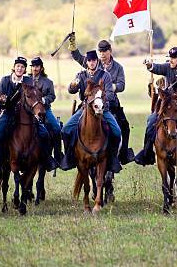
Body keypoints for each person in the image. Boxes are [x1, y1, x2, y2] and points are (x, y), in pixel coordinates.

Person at [68, 33, 134, 163]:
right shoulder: (93, 63)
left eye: (104, 51)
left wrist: (109, 88)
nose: (102, 54)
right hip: (90, 104)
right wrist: (73, 46)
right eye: (100, 51)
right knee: (70, 128)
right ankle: (73, 155)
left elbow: (122, 85)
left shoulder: (118, 68)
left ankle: (123, 154)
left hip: (111, 102)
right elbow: (78, 57)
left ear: (110, 51)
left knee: (124, 127)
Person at [135, 46, 177, 166]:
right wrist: (150, 65)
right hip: (167, 106)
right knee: (151, 122)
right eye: (170, 57)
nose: (170, 60)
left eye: (173, 58)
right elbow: (157, 68)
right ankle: (147, 152)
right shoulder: (167, 67)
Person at [0, 57, 54, 179]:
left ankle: (47, 159)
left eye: (22, 67)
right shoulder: (5, 80)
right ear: (14, 67)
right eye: (18, 66)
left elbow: (34, 96)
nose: (19, 68)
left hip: (27, 115)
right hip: (9, 113)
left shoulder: (29, 81)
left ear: (25, 70)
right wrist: (2, 99)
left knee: (44, 133)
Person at [59, 50, 122, 173]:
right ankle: (69, 157)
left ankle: (113, 159)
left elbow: (109, 94)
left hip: (103, 109)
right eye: (89, 60)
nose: (92, 63)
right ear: (86, 62)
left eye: (94, 60)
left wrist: (99, 102)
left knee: (117, 131)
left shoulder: (105, 75)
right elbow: (71, 91)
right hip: (85, 109)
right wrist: (73, 85)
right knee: (65, 130)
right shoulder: (81, 75)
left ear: (97, 61)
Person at [29, 57, 63, 164]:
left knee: (57, 128)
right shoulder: (26, 80)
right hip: (28, 110)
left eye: (37, 66)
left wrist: (44, 100)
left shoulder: (48, 82)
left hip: (44, 109)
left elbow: (52, 96)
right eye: (33, 66)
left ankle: (58, 156)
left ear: (41, 68)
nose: (35, 68)